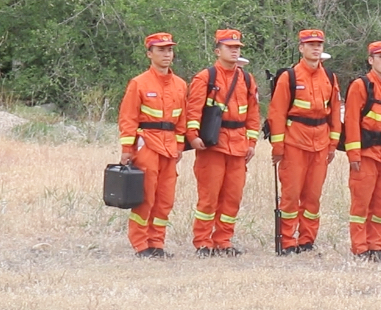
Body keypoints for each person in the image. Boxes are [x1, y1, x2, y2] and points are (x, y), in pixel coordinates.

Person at [185, 29, 260, 256]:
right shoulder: (205, 77)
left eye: (237, 47)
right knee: (209, 197)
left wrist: (252, 142)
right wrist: (192, 135)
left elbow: (253, 113)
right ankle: (203, 242)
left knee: (232, 197)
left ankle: (223, 241)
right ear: (218, 51)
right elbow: (193, 109)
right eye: (230, 47)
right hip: (213, 144)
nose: (235, 50)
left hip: (238, 146)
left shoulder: (246, 78)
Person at [267, 29, 341, 255]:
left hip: (320, 144)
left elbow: (335, 113)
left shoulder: (329, 77)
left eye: (319, 44)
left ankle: (307, 240)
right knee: (290, 195)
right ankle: (287, 241)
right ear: (301, 48)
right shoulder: (289, 77)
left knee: (313, 196)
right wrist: (278, 148)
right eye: (310, 44)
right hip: (295, 144)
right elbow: (277, 113)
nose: (316, 48)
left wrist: (332, 144)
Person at [118, 32, 188, 258]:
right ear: (150, 54)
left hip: (169, 149)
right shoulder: (138, 83)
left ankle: (157, 243)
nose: (167, 54)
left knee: (165, 200)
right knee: (146, 197)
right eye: (161, 50)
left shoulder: (180, 85)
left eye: (169, 49)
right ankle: (141, 244)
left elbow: (182, 119)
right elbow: (128, 118)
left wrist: (179, 146)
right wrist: (127, 150)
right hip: (147, 145)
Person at [344, 41, 381, 262]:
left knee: (380, 204)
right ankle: (360, 248)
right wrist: (354, 155)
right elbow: (351, 121)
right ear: (371, 60)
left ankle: (377, 246)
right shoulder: (361, 85)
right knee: (361, 203)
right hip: (367, 154)